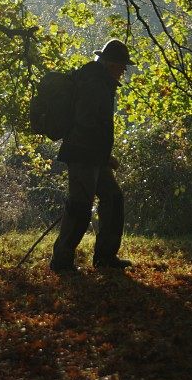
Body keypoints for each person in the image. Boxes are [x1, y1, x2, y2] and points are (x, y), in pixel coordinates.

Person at [50, 38, 135, 273]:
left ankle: (106, 257)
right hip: (83, 155)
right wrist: (103, 156)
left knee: (113, 198)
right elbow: (87, 124)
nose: (124, 70)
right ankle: (61, 262)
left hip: (93, 155)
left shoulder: (99, 81)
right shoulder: (93, 84)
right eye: (121, 65)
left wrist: (103, 156)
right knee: (79, 207)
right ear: (110, 64)